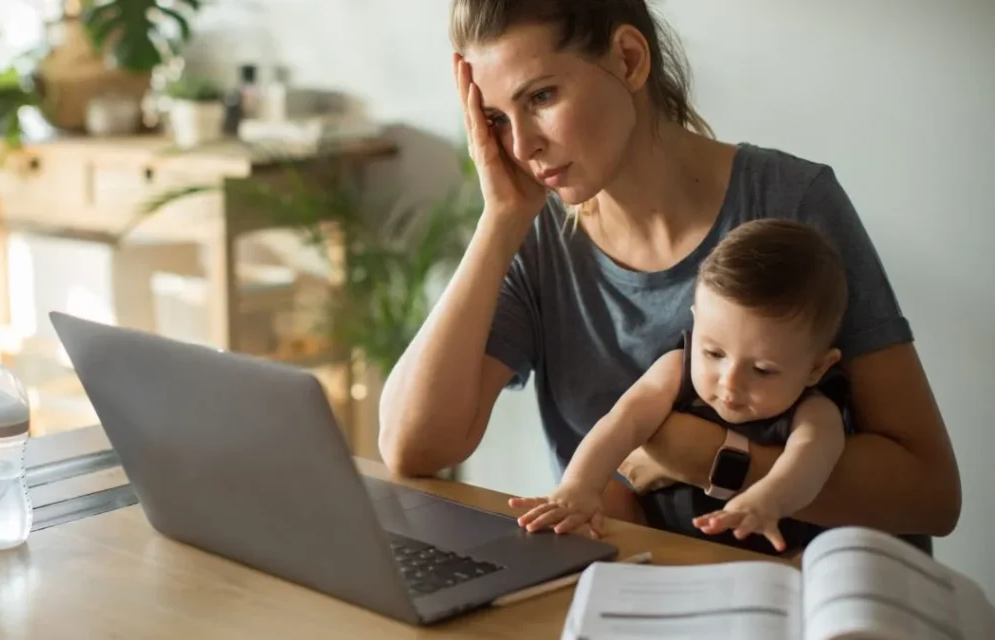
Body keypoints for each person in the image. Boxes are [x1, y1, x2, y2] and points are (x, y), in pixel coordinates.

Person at [378, 0, 961, 553]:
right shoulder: (535, 234)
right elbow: (412, 448)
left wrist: (696, 453)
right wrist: (500, 219)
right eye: (496, 118)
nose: (523, 145)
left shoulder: (792, 201)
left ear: (629, 59)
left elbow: (930, 496)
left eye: (543, 96)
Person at [511, 218, 850, 554]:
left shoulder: (815, 412)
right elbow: (624, 421)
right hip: (656, 536)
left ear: (816, 368)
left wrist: (767, 501)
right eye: (713, 352)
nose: (729, 382)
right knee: (607, 500)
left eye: (762, 370)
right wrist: (579, 485)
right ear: (695, 322)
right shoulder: (676, 369)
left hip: (755, 556)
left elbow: (809, 465)